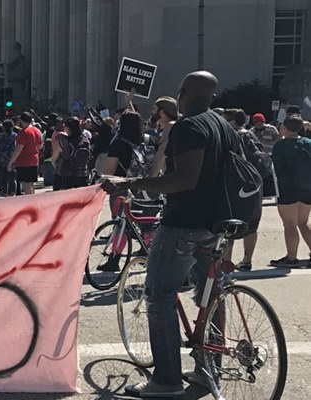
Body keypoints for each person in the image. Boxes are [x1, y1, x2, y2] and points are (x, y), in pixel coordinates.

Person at [102, 71, 242, 397]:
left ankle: (166, 380)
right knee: (210, 297)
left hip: (184, 225)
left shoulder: (188, 127)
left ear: (181, 92)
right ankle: (208, 371)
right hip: (217, 223)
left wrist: (130, 183)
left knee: (159, 298)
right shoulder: (223, 125)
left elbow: (183, 180)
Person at [224, 108, 263, 271]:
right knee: (252, 224)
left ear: (232, 121)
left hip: (234, 183)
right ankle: (247, 260)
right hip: (254, 183)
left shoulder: (231, 135)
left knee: (228, 225)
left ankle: (226, 262)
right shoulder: (251, 134)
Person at [269, 115, 311, 268]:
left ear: (284, 128)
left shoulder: (281, 146)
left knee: (290, 224)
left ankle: (291, 258)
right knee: (303, 222)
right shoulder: (308, 143)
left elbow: (276, 168)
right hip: (307, 188)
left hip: (288, 188)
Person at [51, 117, 91, 189]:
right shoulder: (86, 141)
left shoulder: (63, 141)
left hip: (65, 177)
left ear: (67, 128)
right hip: (82, 176)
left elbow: (54, 159)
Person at [8, 113, 42, 195]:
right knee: (31, 184)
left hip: (24, 162)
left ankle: (30, 203)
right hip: (34, 160)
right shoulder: (37, 131)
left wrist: (11, 162)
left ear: (21, 120)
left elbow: (18, 149)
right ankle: (33, 200)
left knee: (26, 184)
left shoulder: (23, 132)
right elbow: (40, 146)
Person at [0, 121, 19, 196]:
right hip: (13, 160)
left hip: (2, 160)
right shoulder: (16, 136)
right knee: (12, 179)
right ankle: (12, 194)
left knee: (3, 178)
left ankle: (4, 193)